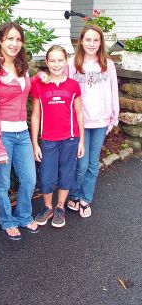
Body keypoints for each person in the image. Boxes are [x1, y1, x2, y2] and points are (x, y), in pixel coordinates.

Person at [0, 22, 38, 240]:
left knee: (30, 180)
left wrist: (40, 78)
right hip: (2, 134)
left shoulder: (23, 67)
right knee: (3, 183)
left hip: (22, 133)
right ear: (0, 42)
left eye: (18, 39)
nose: (14, 44)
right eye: (9, 39)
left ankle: (23, 215)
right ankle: (7, 220)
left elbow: (23, 91)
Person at [66, 25, 119, 218]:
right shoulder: (72, 64)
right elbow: (64, 90)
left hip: (101, 120)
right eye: (88, 39)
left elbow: (113, 91)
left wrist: (114, 116)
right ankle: (74, 193)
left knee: (92, 164)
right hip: (80, 121)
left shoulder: (108, 64)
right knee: (81, 164)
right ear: (81, 41)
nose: (91, 44)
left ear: (101, 43)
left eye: (96, 40)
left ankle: (85, 198)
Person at [31, 45, 84, 228]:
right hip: (48, 140)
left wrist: (81, 141)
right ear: (47, 62)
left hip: (70, 138)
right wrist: (35, 143)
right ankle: (48, 207)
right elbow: (36, 115)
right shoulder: (39, 84)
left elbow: (79, 114)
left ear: (66, 61)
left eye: (60, 60)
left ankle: (60, 206)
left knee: (66, 174)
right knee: (46, 176)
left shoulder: (73, 85)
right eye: (52, 60)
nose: (56, 64)